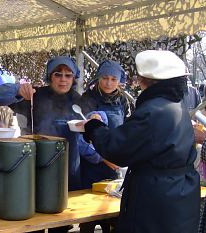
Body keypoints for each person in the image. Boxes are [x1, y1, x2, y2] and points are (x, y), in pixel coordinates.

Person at [78, 50, 200, 233]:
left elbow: (117, 148)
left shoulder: (154, 111)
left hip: (157, 197)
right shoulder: (176, 106)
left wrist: (93, 127)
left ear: (146, 81)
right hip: (178, 193)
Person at [0, 56, 82, 233]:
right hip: (33, 164)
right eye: (58, 74)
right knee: (33, 221)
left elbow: (92, 122)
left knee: (61, 221)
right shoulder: (34, 95)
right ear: (50, 76)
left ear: (73, 78)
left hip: (67, 168)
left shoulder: (78, 100)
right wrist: (18, 90)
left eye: (68, 75)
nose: (63, 79)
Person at [79, 60, 130, 232]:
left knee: (112, 213)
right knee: (88, 215)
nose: (109, 83)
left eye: (113, 79)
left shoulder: (123, 100)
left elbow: (126, 129)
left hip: (114, 163)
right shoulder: (88, 99)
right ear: (98, 78)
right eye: (105, 78)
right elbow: (82, 136)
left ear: (119, 81)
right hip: (91, 164)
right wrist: (102, 157)